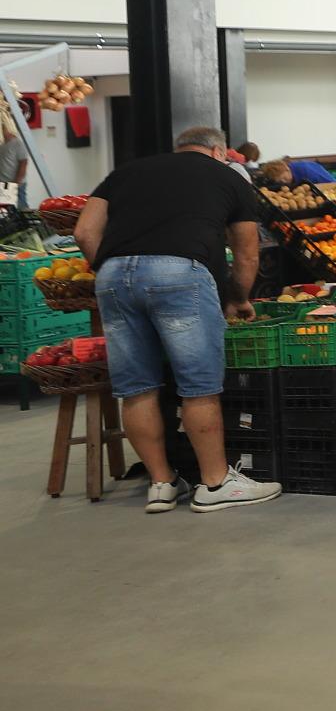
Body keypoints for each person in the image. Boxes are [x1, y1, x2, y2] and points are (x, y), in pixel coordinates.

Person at [72, 126, 283, 513]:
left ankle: (161, 483)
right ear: (219, 151)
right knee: (199, 386)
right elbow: (248, 254)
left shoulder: (125, 172)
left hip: (113, 277)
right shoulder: (228, 177)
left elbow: (84, 231)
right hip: (179, 273)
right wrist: (237, 298)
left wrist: (112, 269)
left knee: (137, 387)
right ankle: (216, 484)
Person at [0, 107, 27, 210]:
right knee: (6, 213)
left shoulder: (17, 144)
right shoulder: (1, 144)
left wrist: (16, 184)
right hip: (3, 185)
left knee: (20, 210)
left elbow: (23, 163)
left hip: (15, 184)